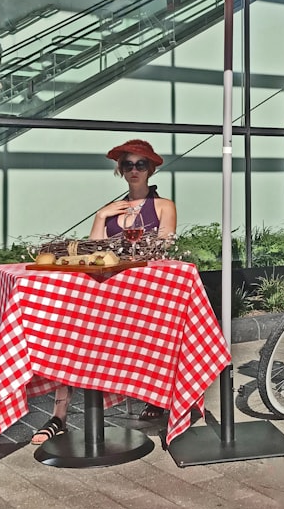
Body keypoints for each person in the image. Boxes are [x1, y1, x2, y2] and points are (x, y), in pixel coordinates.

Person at [31, 139, 177, 444]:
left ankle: (158, 395)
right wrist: (101, 216)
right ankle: (59, 416)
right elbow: (93, 251)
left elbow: (163, 249)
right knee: (69, 329)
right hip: (109, 290)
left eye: (140, 164)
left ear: (150, 169)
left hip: (143, 292)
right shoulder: (112, 210)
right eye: (128, 165)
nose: (134, 170)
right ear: (120, 171)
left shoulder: (163, 206)